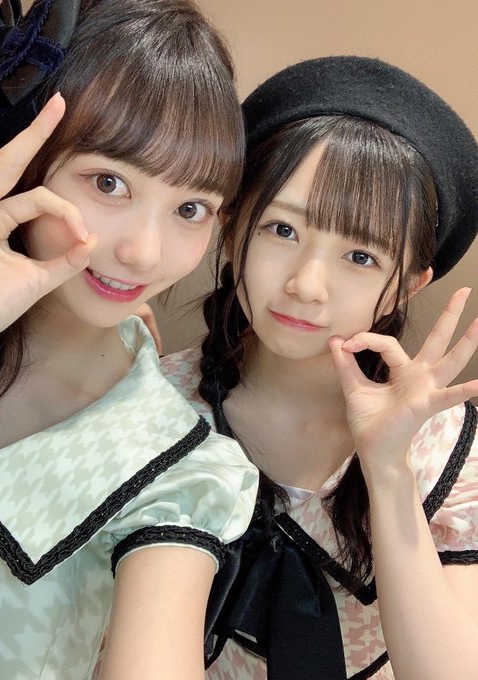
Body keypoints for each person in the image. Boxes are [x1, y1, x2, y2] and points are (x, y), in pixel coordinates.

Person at [0, 1, 259, 678]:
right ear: (26, 161)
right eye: (109, 183)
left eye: (190, 209)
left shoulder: (180, 472)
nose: (144, 251)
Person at [161, 56, 478, 679]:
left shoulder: (447, 446)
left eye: (360, 256)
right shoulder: (152, 404)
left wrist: (388, 470)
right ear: (233, 228)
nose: (306, 284)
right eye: (282, 229)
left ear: (408, 286)